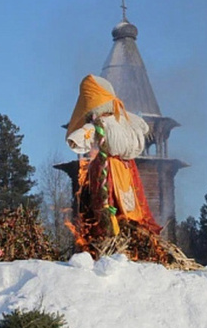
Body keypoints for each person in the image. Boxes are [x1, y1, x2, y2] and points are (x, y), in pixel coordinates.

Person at [65, 74, 161, 238]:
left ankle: (117, 229)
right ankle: (120, 228)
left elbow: (83, 135)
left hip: (116, 167)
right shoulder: (119, 118)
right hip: (123, 166)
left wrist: (75, 139)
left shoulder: (112, 120)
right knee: (119, 201)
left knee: (111, 200)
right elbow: (143, 126)